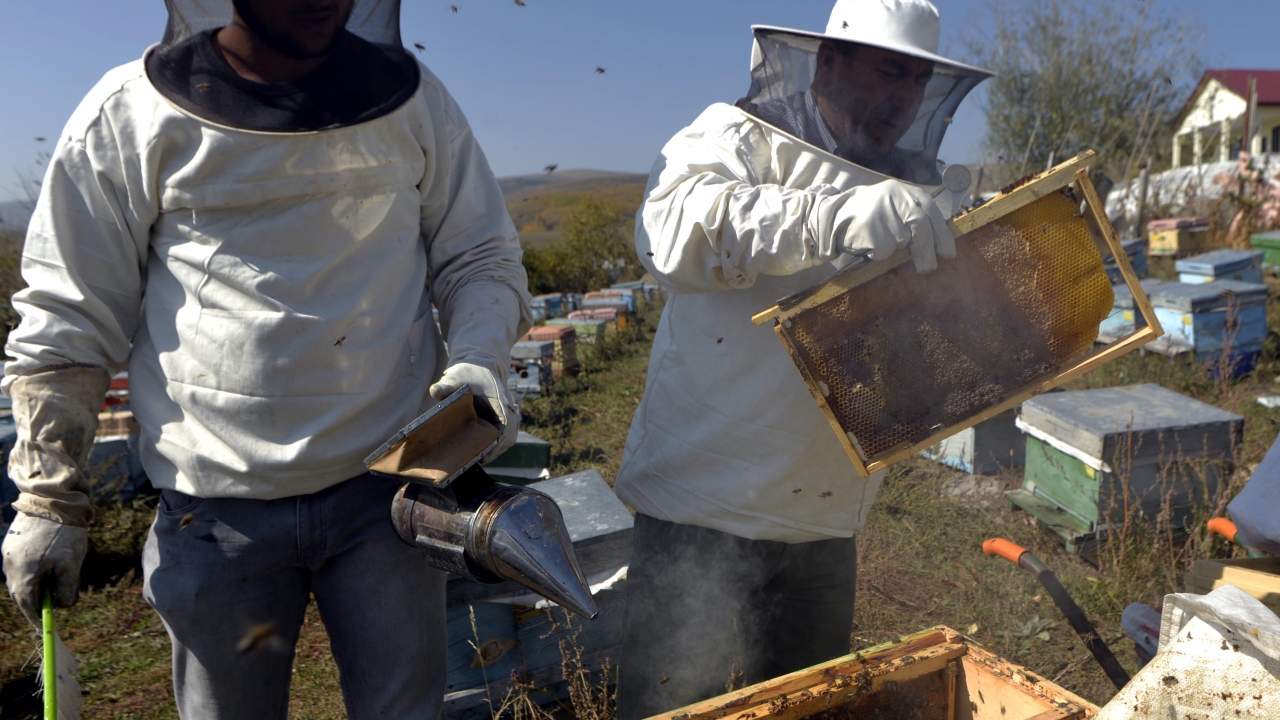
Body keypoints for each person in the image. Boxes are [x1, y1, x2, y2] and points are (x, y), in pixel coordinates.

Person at [0, 1, 530, 717]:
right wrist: (46, 494)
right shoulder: (128, 113)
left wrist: (477, 358)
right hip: (214, 513)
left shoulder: (415, 100)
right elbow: (69, 312)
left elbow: (479, 254)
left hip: (392, 494)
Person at [614, 0, 991, 716]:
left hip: (821, 526)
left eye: (916, 81)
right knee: (669, 707)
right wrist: (835, 218)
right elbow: (667, 232)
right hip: (700, 509)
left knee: (808, 709)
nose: (901, 97)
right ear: (829, 61)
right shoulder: (739, 136)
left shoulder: (917, 187)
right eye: (887, 71)